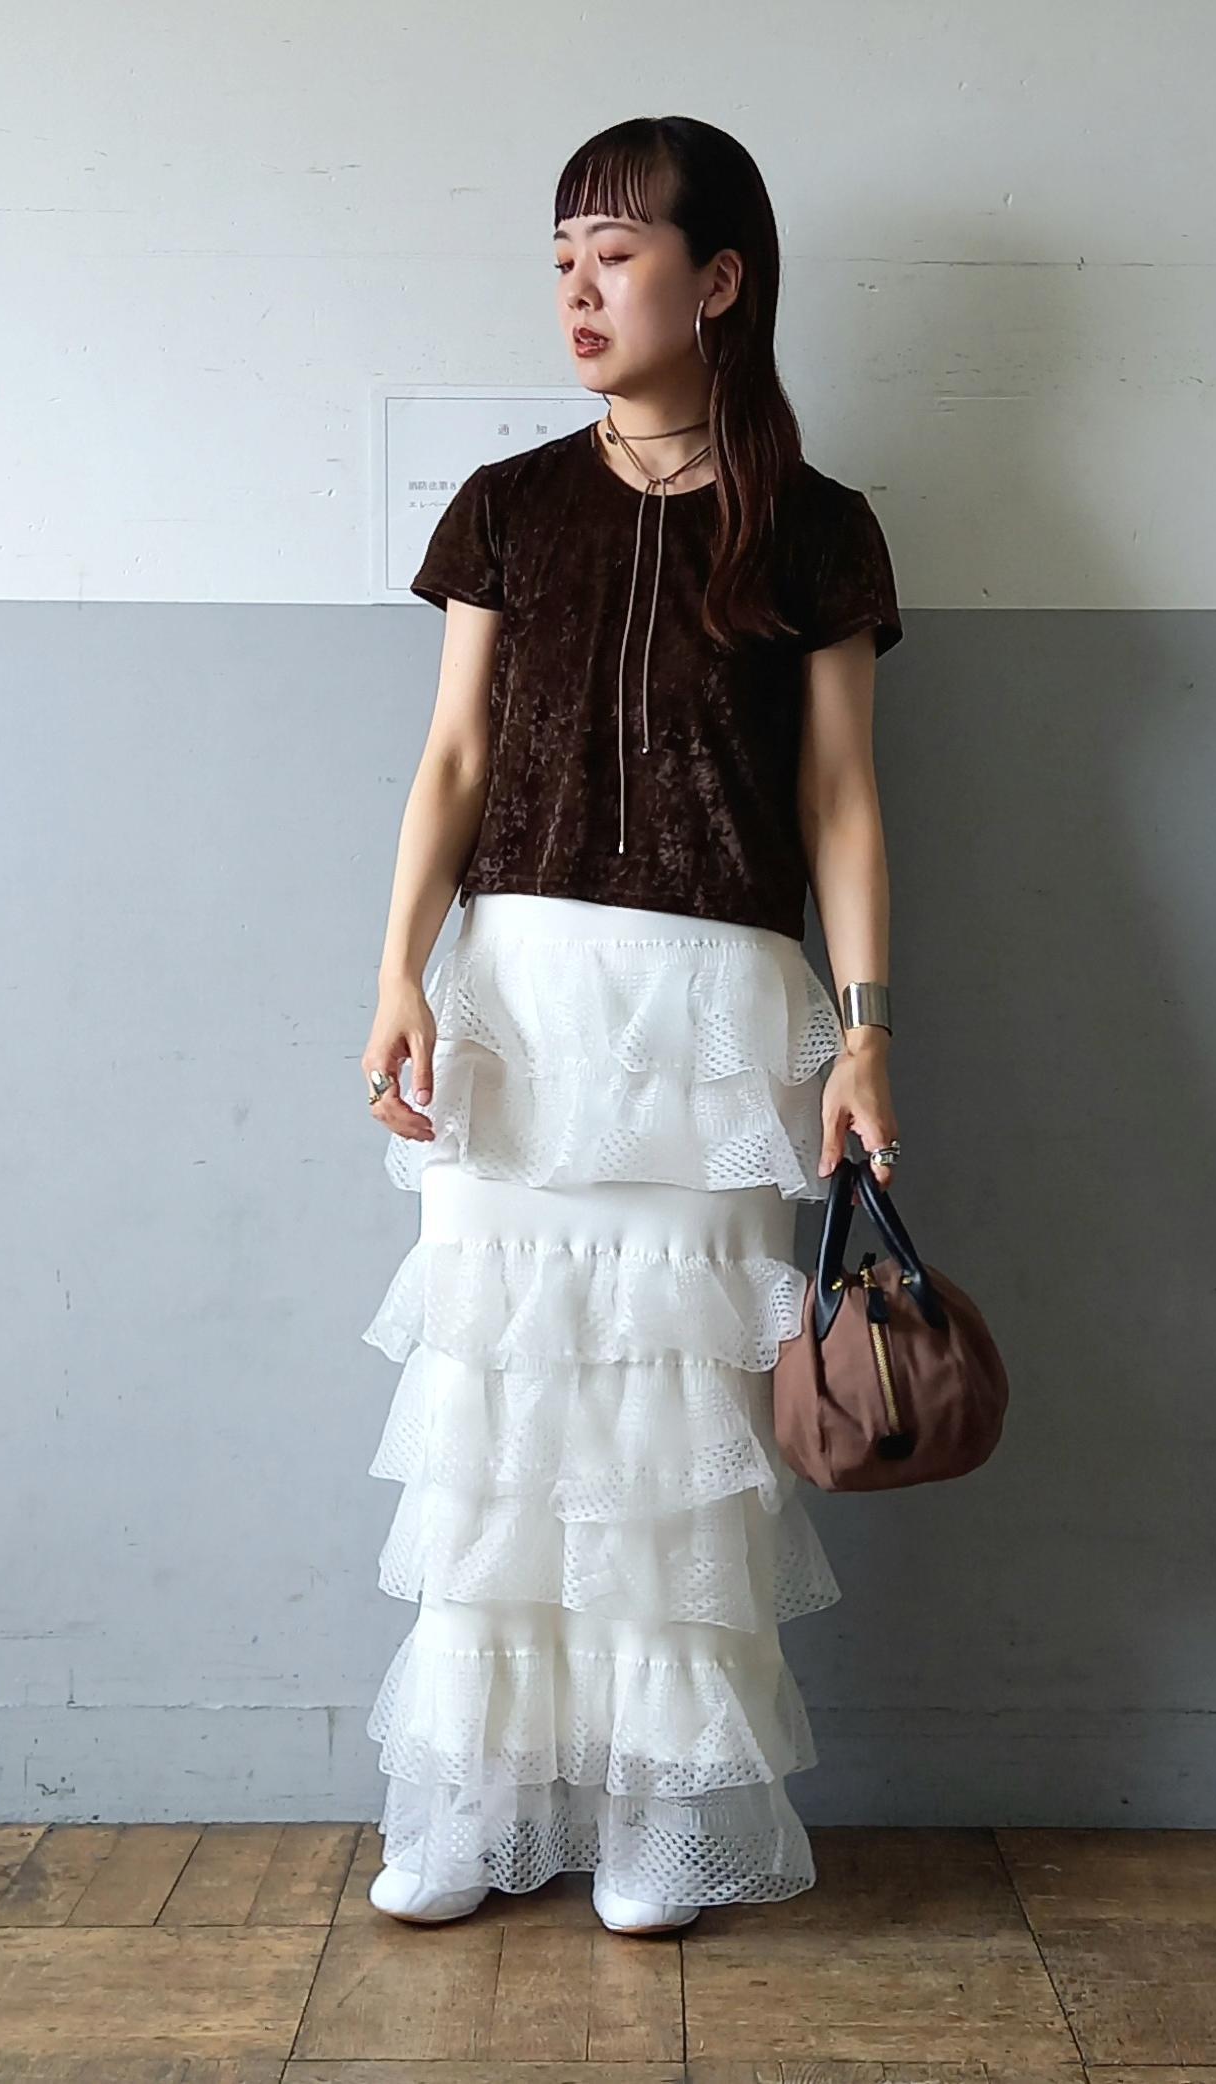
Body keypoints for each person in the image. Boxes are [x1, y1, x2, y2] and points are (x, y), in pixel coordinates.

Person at [359, 114, 903, 1935]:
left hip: (716, 1019)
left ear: (719, 279)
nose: (579, 291)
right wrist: (398, 975)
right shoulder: (510, 505)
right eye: (562, 259)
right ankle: (473, 1810)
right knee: (498, 1405)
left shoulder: (815, 527)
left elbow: (842, 801)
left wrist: (868, 1031)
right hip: (517, 994)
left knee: (675, 1430)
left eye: (618, 254)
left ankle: (668, 1828)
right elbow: (453, 756)